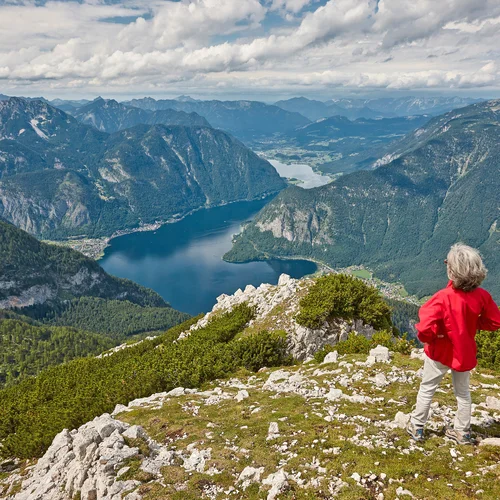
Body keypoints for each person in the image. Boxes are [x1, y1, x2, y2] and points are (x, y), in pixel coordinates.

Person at [406, 243, 500, 444]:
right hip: (464, 353)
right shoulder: (482, 296)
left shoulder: (442, 298)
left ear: (451, 271)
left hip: (439, 352)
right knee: (463, 393)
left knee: (427, 388)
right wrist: (473, 325)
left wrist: (434, 337)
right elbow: (494, 321)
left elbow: (424, 328)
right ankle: (462, 432)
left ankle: (417, 426)